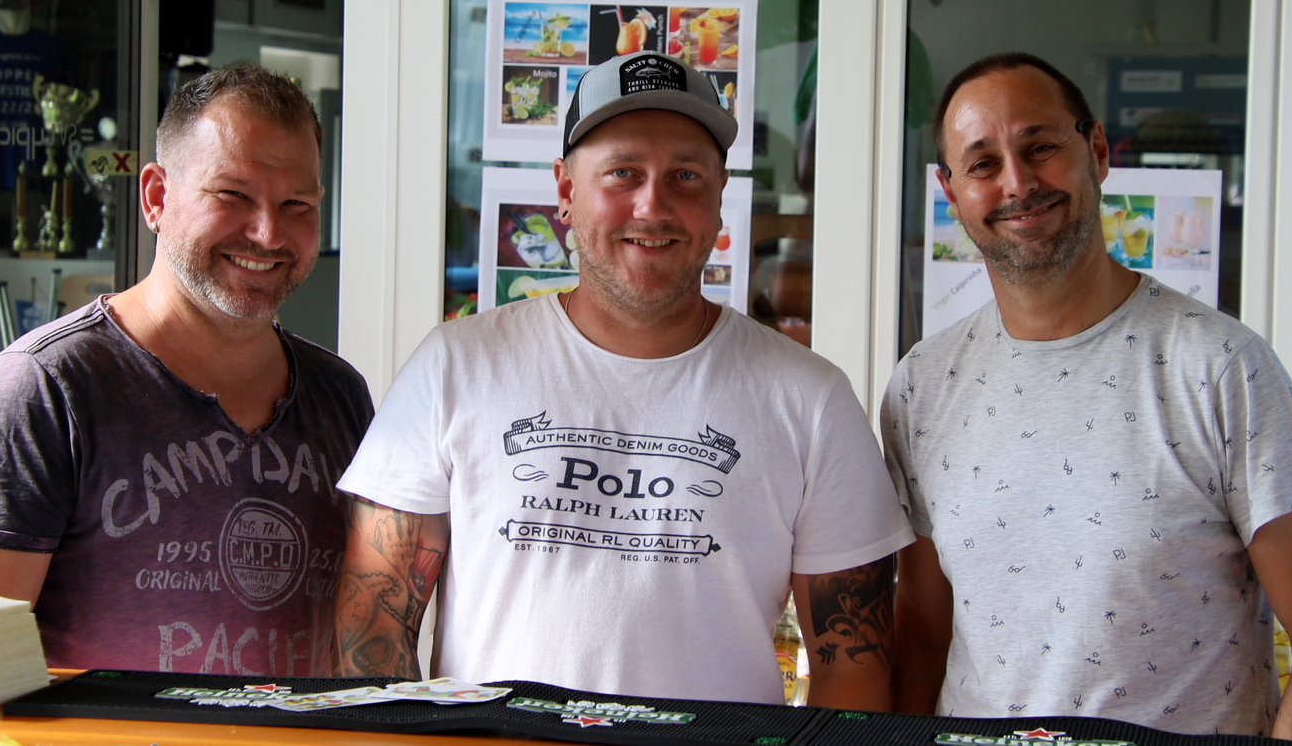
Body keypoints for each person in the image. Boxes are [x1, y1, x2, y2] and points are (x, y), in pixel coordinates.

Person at [336, 51, 912, 708]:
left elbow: (855, 670)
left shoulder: (810, 399)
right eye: (622, 173)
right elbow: (372, 622)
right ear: (565, 191)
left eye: (686, 176)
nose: (652, 205)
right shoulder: (455, 366)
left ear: (720, 199)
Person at [882, 53, 1292, 744]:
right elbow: (921, 634)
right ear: (951, 190)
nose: (1017, 183)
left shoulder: (1221, 368)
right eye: (983, 163)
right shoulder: (923, 384)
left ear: (1096, 151)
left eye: (1040, 147)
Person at [0, 66, 373, 675]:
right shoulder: (41, 391)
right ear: (155, 197)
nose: (267, 232)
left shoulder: (342, 397)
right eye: (232, 195)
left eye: (296, 204)